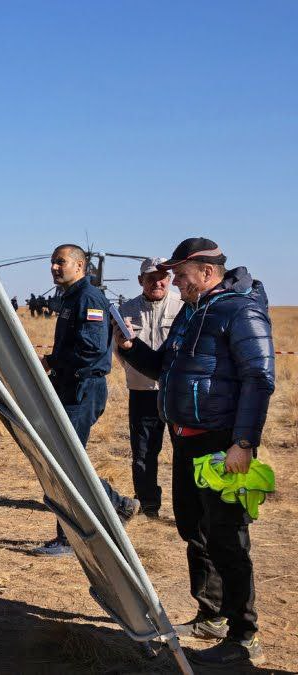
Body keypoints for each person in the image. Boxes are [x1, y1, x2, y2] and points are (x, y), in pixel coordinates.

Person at [118, 238, 274, 665]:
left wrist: (243, 442)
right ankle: (211, 615)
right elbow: (166, 367)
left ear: (206, 272)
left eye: (181, 275)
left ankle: (244, 637)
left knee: (227, 536)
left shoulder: (240, 309)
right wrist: (131, 350)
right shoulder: (192, 310)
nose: (174, 283)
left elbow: (258, 378)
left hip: (222, 442)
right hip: (185, 438)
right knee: (194, 528)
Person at [33, 244, 139, 557]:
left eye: (60, 262)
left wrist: (56, 360)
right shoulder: (72, 298)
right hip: (68, 386)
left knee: (67, 463)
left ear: (79, 265)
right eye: (52, 262)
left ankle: (79, 531)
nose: (54, 267)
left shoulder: (89, 298)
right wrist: (53, 362)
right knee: (64, 461)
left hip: (82, 389)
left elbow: (91, 350)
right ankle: (106, 510)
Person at [117, 258, 184, 518]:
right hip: (142, 392)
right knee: (143, 452)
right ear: (140, 281)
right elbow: (120, 351)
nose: (158, 282)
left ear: (169, 279)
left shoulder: (183, 307)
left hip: (176, 393)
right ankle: (148, 506)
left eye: (162, 277)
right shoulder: (126, 309)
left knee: (183, 452)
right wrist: (137, 374)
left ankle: (185, 507)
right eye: (151, 278)